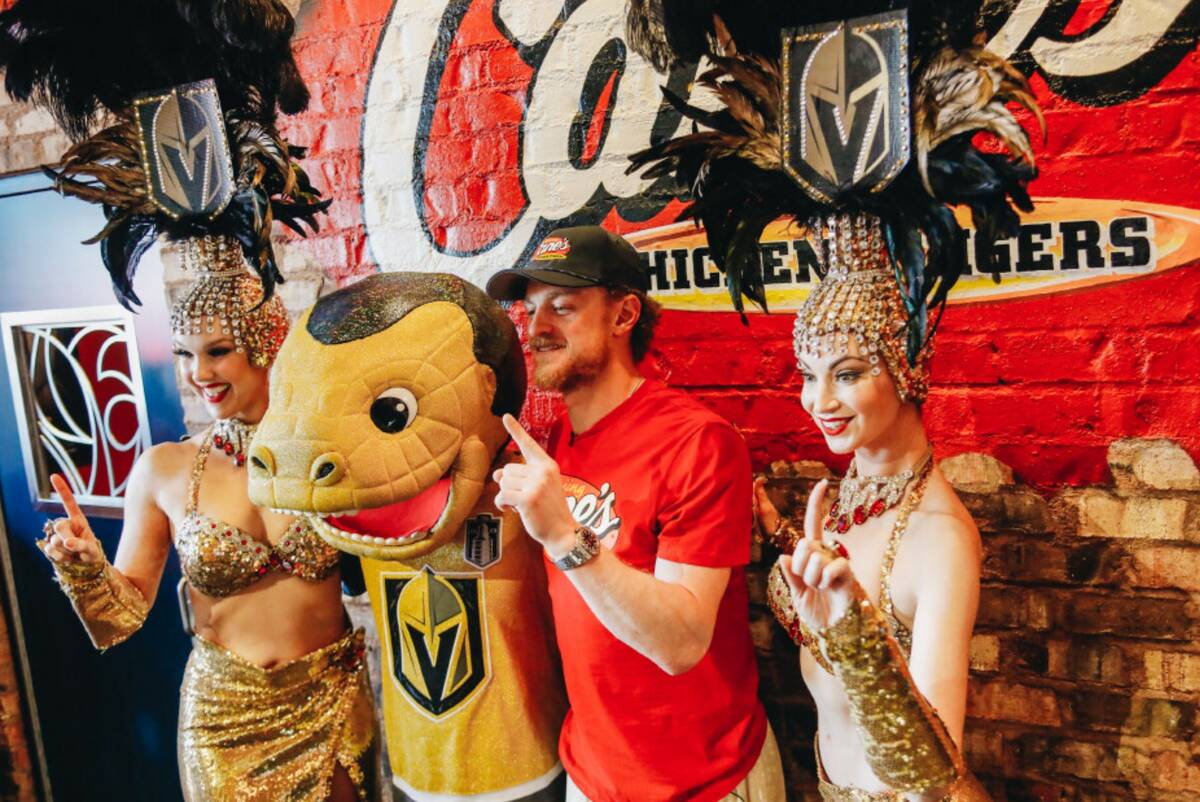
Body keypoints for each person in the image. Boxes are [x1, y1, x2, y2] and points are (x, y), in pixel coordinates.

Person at [38, 245, 376, 802]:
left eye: (217, 351)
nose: (199, 374)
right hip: (224, 719)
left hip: (331, 699)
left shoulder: (334, 452)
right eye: (185, 355)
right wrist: (85, 568)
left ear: (266, 343)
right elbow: (119, 619)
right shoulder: (165, 469)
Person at [485, 225, 785, 802]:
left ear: (624, 316)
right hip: (590, 772)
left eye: (564, 308)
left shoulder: (697, 441)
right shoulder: (547, 440)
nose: (538, 328)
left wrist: (565, 537)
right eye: (531, 309)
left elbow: (682, 644)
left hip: (702, 779)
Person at [755, 212, 990, 801]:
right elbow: (832, 602)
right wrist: (779, 534)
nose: (819, 400)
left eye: (848, 373)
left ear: (907, 367)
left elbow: (933, 778)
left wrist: (852, 632)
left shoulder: (940, 539)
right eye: (809, 375)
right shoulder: (847, 495)